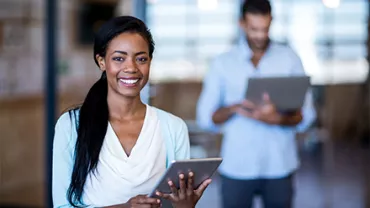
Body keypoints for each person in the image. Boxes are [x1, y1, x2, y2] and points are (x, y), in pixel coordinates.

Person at [52, 16, 211, 208]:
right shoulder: (71, 125)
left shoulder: (173, 127)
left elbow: (174, 202)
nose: (131, 68)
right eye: (119, 58)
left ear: (150, 62)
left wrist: (185, 205)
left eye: (141, 59)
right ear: (101, 62)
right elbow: (62, 206)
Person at [196, 0, 316, 208]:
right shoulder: (223, 63)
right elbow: (205, 118)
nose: (260, 35)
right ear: (241, 23)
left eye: (265, 28)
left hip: (280, 164)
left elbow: (307, 116)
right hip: (237, 165)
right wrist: (235, 108)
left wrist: (277, 118)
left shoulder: (290, 59)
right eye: (254, 29)